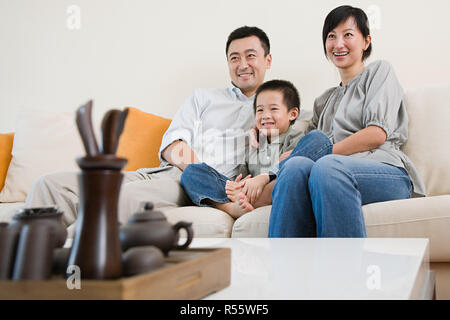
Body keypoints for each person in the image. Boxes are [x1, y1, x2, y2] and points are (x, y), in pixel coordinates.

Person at [25, 26, 273, 231]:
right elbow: (173, 147)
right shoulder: (203, 98)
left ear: (267, 60)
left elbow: (273, 166)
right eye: (234, 57)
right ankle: (34, 281)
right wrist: (200, 171)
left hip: (198, 190)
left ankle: (82, 275)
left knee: (121, 198)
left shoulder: (277, 110)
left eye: (251, 55)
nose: (243, 64)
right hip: (166, 173)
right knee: (48, 185)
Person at [266, 5, 426, 237]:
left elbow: (376, 134)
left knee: (325, 167)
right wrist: (264, 134)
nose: (338, 43)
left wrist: (325, 154)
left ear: (366, 41)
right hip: (328, 173)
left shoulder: (379, 72)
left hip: (386, 172)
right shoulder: (324, 101)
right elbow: (307, 147)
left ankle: (344, 271)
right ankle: (284, 269)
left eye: (348, 34)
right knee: (294, 167)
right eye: (331, 36)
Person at [180, 79, 304, 218]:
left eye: (273, 109)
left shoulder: (297, 139)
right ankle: (230, 207)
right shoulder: (255, 143)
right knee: (192, 171)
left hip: (272, 189)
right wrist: (238, 185)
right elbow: (243, 174)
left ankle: (240, 202)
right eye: (260, 110)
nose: (265, 115)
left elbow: (293, 170)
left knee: (285, 177)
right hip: (244, 193)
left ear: (292, 114)